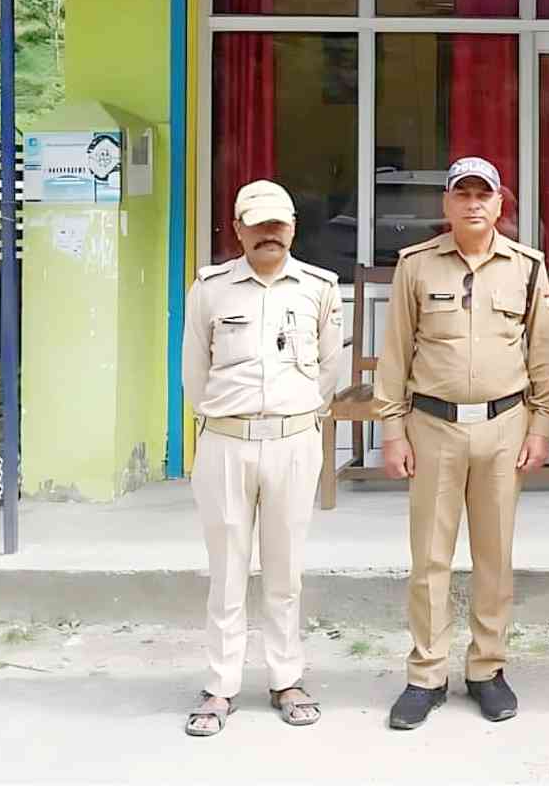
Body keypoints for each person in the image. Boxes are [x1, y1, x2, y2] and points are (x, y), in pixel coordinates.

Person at [376, 156, 549, 729]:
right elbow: (395, 352)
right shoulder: (416, 266)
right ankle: (426, 674)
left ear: (500, 204)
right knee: (430, 557)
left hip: (505, 427)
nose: (474, 203)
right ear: (447, 204)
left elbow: (543, 353)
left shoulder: (526, 267)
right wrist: (391, 429)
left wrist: (541, 426)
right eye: (463, 194)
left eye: (484, 194)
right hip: (433, 426)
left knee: (494, 556)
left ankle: (487, 668)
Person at [182, 179, 345, 737]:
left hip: (294, 442)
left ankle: (286, 678)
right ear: (238, 229)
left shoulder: (319, 288)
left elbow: (329, 371)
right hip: (226, 441)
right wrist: (225, 419)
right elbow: (194, 373)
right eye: (258, 224)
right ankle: (220, 684)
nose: (269, 234)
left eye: (278, 224)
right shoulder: (210, 289)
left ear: (293, 229)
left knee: (284, 570)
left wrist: (295, 416)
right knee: (227, 570)